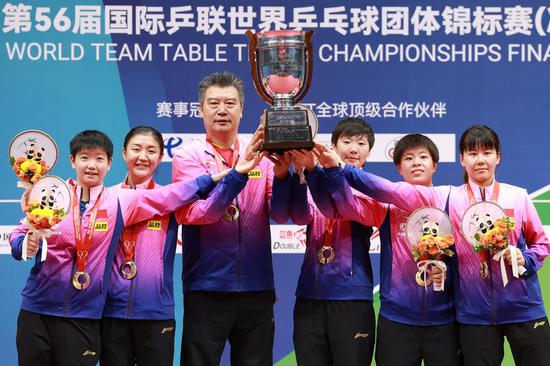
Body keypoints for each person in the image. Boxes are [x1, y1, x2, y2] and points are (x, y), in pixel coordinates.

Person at [318, 125, 550, 366]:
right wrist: (341, 169)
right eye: (472, 154)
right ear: (461, 159)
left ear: (498, 156)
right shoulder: (445, 196)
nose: (480, 160)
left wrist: (526, 260)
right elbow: (386, 190)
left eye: (487, 153)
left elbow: (541, 244)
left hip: (523, 309)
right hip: (474, 317)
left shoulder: (518, 196)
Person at [10, 129, 226, 366]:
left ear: (110, 163)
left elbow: (169, 195)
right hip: (36, 310)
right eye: (84, 158)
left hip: (84, 317)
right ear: (72, 161)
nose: (91, 165)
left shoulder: (119, 200)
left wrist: (214, 179)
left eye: (99, 158)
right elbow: (20, 233)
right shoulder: (54, 195)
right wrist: (23, 245)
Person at [172, 71, 277, 366]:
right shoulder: (187, 156)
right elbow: (197, 214)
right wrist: (237, 173)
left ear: (242, 110)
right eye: (214, 103)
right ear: (201, 109)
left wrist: (286, 173)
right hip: (207, 287)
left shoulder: (262, 155)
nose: (222, 110)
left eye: (230, 103)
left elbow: (280, 212)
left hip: (257, 287)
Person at [270, 117, 379, 365]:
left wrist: (315, 172)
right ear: (333, 145)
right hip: (310, 297)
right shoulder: (312, 183)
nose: (353, 148)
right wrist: (293, 175)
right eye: (346, 141)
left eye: (361, 143)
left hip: (351, 299)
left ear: (369, 151)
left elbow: (341, 206)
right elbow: (297, 216)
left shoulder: (369, 190)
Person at [99, 126, 179, 365]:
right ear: (124, 153)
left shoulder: (172, 199)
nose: (143, 156)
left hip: (156, 312)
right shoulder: (104, 198)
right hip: (111, 312)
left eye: (151, 151)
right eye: (136, 149)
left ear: (161, 157)